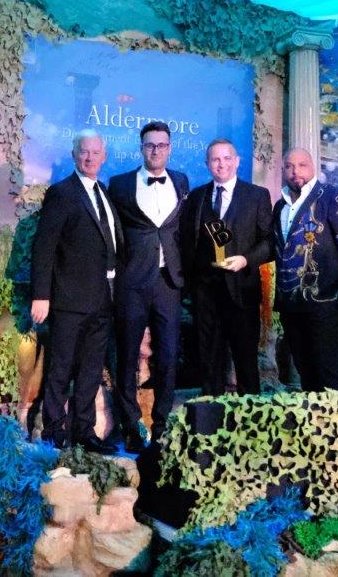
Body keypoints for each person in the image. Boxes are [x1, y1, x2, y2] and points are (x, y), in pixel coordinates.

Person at [31, 129, 122, 454]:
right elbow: (44, 247)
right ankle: (53, 432)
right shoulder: (62, 193)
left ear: (103, 157)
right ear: (74, 155)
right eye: (84, 151)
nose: (89, 157)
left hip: (102, 300)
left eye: (95, 152)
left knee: (90, 371)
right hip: (68, 300)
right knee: (61, 368)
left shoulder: (104, 193)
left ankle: (84, 432)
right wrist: (41, 295)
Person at [108, 122, 189, 451]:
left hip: (168, 282)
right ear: (141, 148)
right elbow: (111, 233)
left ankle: (162, 425)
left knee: (168, 355)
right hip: (132, 282)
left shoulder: (181, 181)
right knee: (127, 356)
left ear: (169, 148)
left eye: (161, 145)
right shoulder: (120, 185)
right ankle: (130, 426)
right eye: (150, 145)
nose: (156, 150)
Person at [182, 139, 273, 396]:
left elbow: (270, 241)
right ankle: (211, 414)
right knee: (209, 361)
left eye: (226, 158)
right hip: (205, 293)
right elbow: (187, 243)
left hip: (242, 291)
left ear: (237, 161)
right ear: (207, 164)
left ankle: (250, 414)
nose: (221, 164)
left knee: (246, 361)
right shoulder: (196, 197)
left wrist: (245, 259)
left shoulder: (257, 196)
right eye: (215, 159)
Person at [272, 148, 338, 391]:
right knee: (306, 374)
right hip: (291, 306)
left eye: (302, 165)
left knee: (328, 375)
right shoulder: (280, 206)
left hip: (326, 302)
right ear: (283, 170)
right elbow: (276, 249)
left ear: (313, 167)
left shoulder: (334, 198)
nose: (295, 171)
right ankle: (314, 416)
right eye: (289, 166)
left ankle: (337, 417)